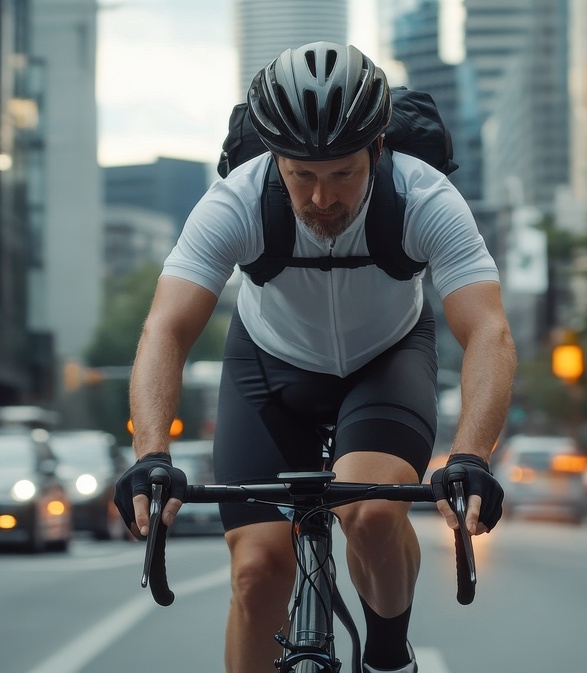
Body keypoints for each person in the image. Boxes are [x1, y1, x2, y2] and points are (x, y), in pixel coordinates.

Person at [115, 41, 516, 673]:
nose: (321, 198)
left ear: (377, 152)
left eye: (342, 175)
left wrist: (471, 455)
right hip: (268, 370)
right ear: (275, 160)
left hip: (385, 362)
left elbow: (489, 332)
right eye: (301, 175)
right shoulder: (236, 201)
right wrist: (152, 455)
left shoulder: (425, 198)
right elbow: (164, 329)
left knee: (371, 511)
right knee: (255, 573)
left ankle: (386, 653)